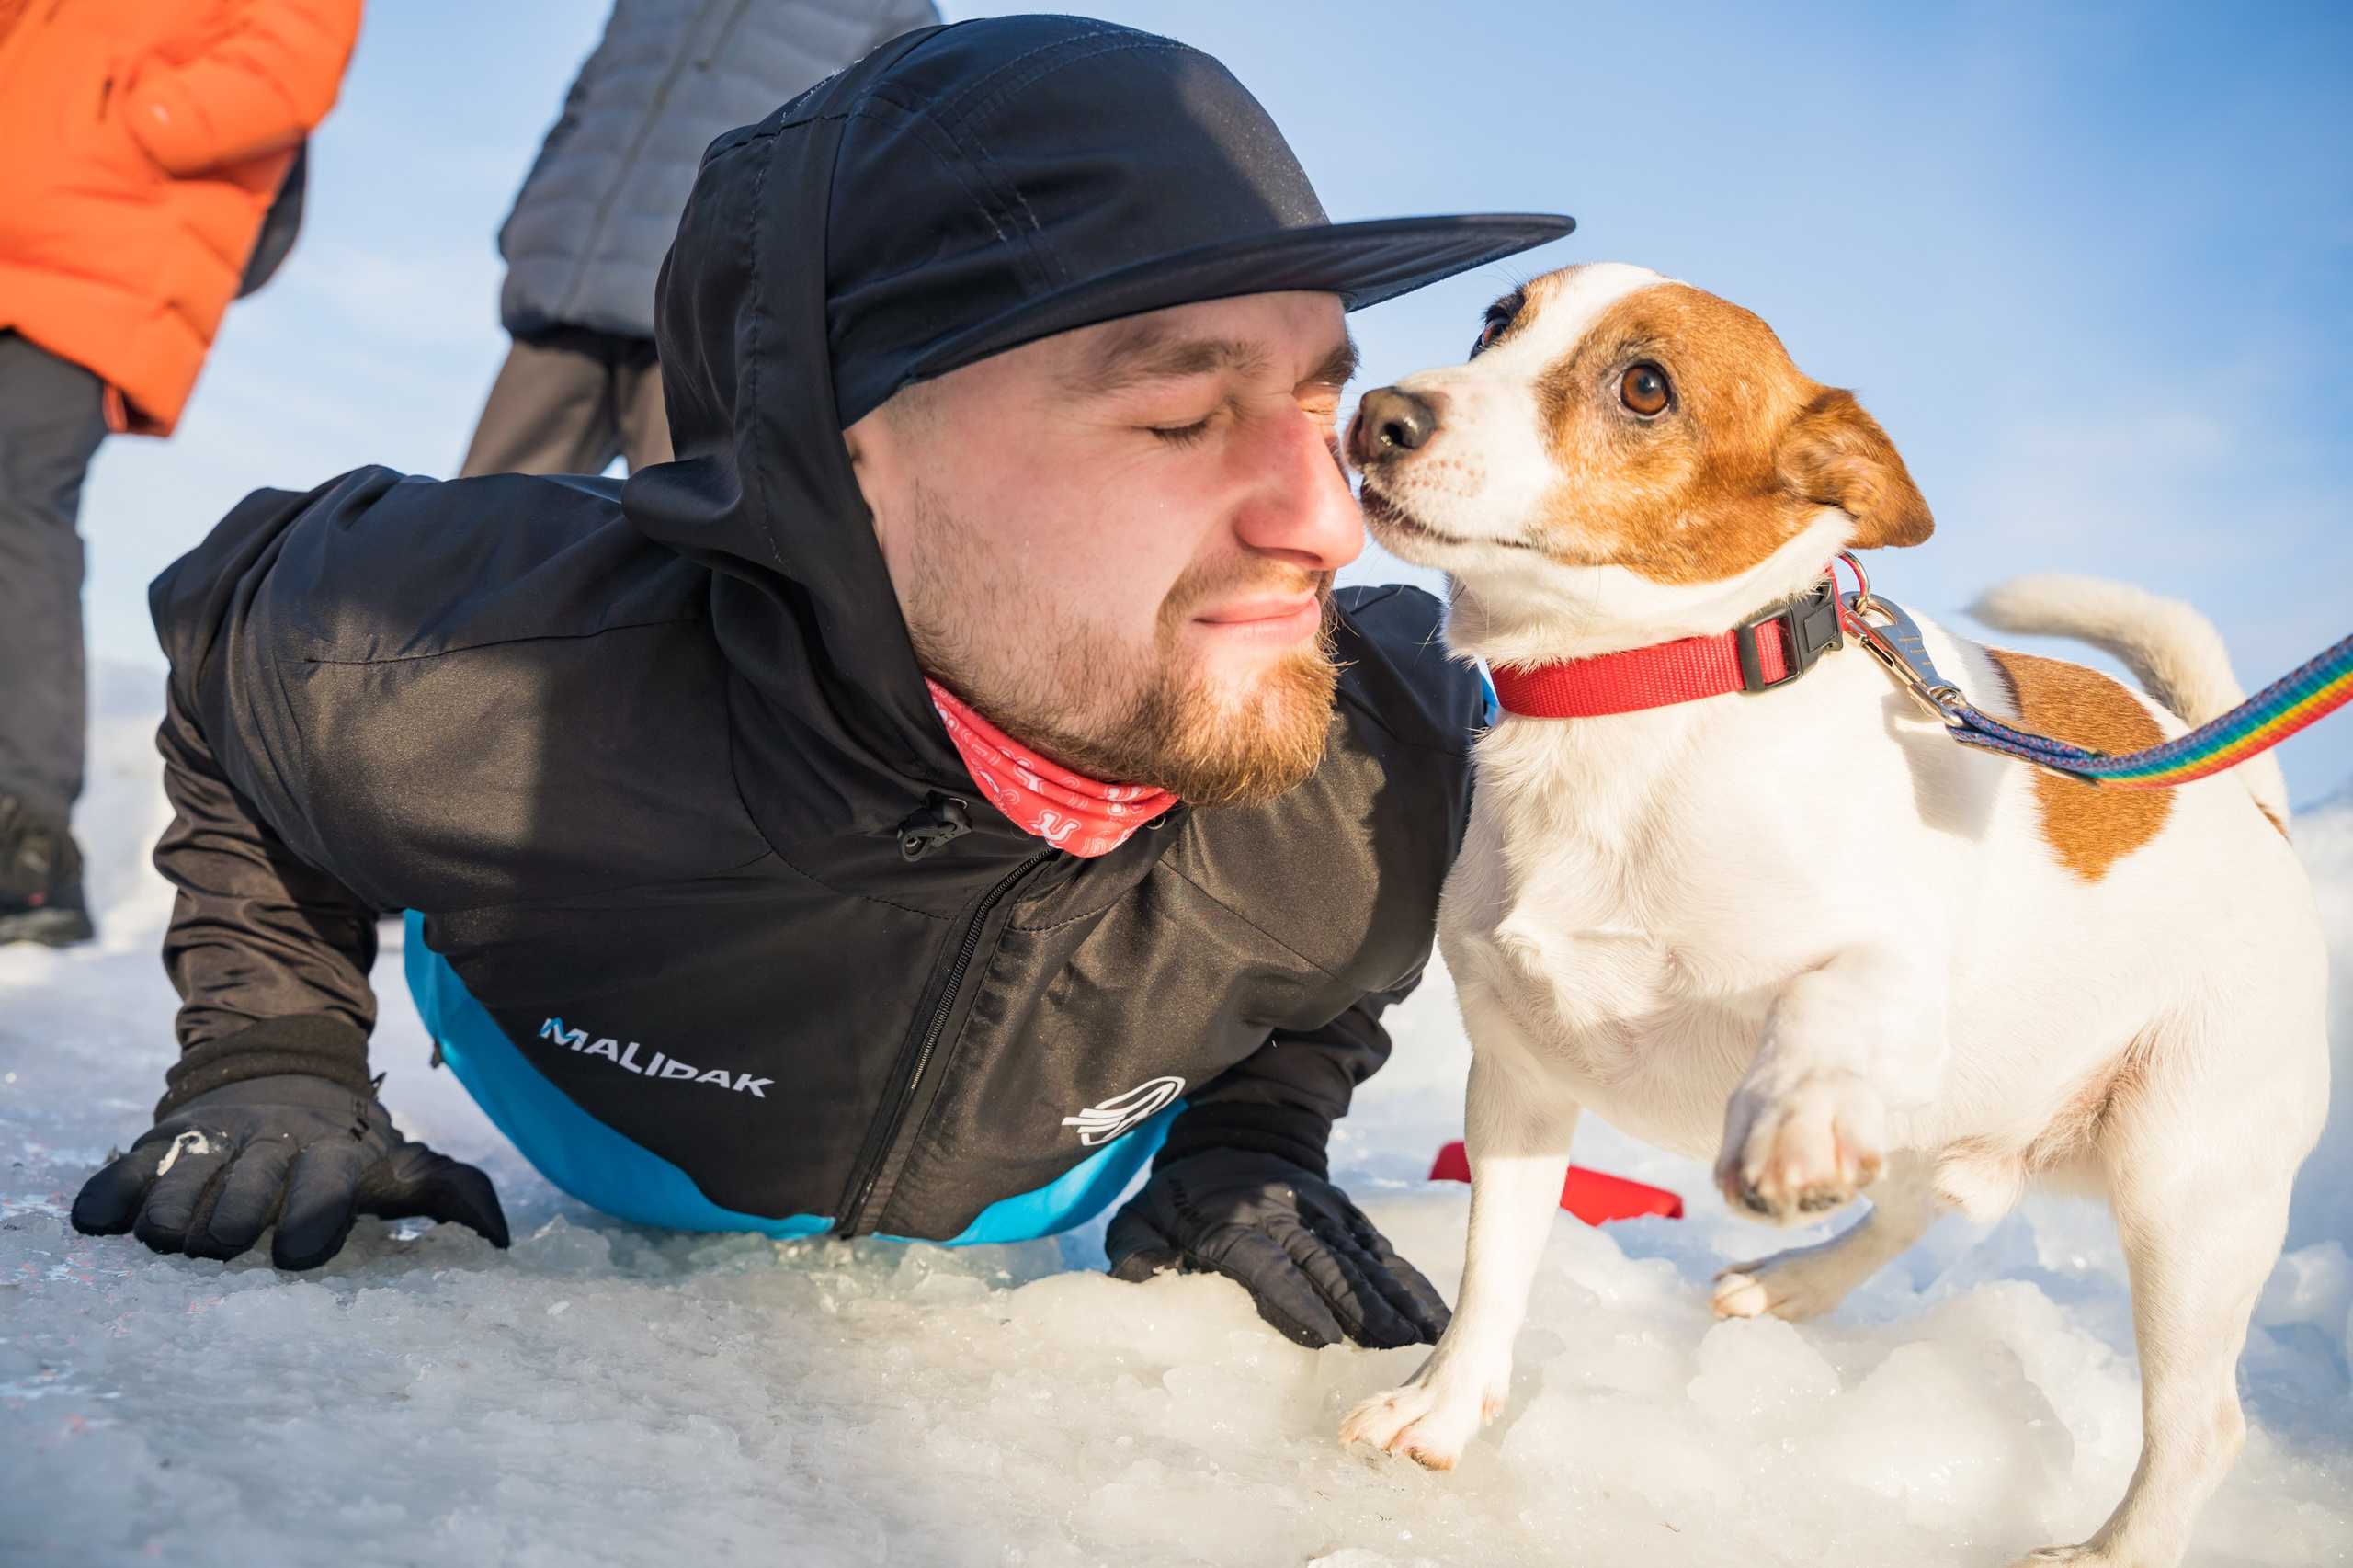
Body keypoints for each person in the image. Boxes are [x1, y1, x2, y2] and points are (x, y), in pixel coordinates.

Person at [70, 16, 1572, 1350]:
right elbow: (241, 659)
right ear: (845, 458)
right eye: (1182, 416)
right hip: (579, 1100)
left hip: (1054, 1172)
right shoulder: (494, 681)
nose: (1328, 522)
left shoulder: (1394, 763)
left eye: (1318, 401)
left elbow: (1332, 976)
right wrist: (271, 1052)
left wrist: (1252, 1144)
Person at [0, 0, 365, 948]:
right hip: (24, 218)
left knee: (13, 498)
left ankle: (26, 846)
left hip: (96, 248)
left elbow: (288, 59)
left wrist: (122, 123)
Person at [460, 0, 939, 481]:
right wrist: (526, 220)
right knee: (480, 512)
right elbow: (583, 101)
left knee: (688, 517)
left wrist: (790, 291)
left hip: (709, 317)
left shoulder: (891, 9)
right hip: (563, 297)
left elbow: (890, 164)